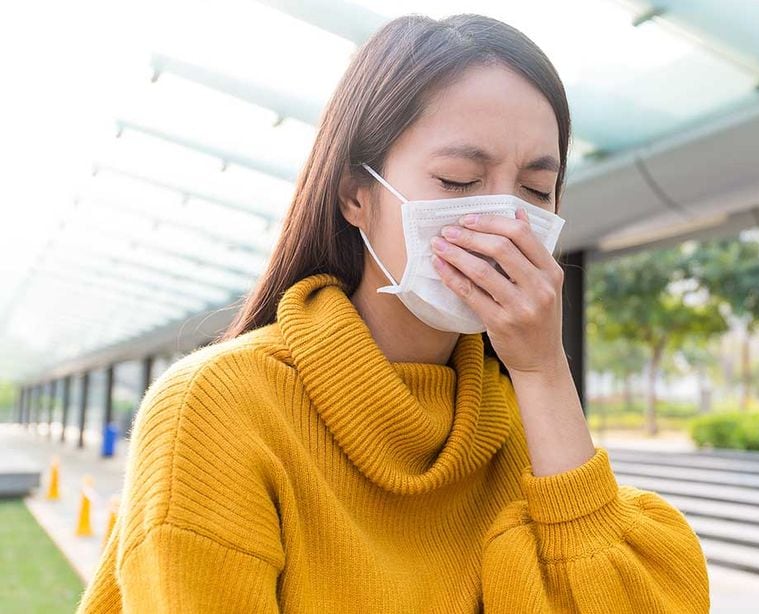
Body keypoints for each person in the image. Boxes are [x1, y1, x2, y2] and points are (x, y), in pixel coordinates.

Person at [75, 13, 709, 613]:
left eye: (536, 190)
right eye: (460, 181)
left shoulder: (527, 427)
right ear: (357, 195)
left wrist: (545, 372)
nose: (503, 222)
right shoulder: (217, 408)